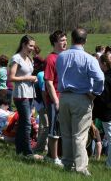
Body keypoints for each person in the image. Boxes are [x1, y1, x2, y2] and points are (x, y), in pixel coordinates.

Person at [56, 28, 104, 176]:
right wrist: (95, 93)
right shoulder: (89, 58)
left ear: (71, 39)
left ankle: (67, 163)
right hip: (82, 97)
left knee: (66, 132)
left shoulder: (61, 56)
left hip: (64, 97)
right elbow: (100, 78)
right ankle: (81, 167)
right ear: (85, 40)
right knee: (79, 135)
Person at [9, 34, 43, 160]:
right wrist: (27, 78)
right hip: (20, 93)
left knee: (24, 122)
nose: (32, 48)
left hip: (30, 92)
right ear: (23, 44)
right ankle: (28, 152)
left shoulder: (29, 58)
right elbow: (11, 77)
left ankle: (20, 150)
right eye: (30, 45)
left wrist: (32, 79)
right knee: (27, 123)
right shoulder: (16, 58)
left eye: (33, 46)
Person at [44, 30, 67, 166]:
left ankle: (56, 155)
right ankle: (54, 158)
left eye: (65, 39)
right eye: (62, 40)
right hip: (55, 100)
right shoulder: (51, 59)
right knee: (54, 129)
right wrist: (56, 101)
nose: (65, 42)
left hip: (66, 98)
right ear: (54, 43)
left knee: (63, 130)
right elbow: (49, 82)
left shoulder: (66, 56)